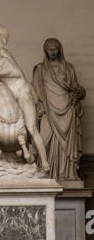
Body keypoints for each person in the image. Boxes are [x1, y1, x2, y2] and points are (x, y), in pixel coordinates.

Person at [0, 15, 50, 173]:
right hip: (19, 89)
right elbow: (4, 33)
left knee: (31, 128)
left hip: (22, 93)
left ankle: (44, 162)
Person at [32, 38, 86, 180]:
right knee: (44, 140)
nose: (53, 52)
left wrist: (79, 93)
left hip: (67, 109)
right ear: (45, 50)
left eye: (55, 48)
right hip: (47, 110)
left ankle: (66, 174)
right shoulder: (40, 69)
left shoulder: (68, 68)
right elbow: (35, 91)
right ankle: (47, 172)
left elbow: (75, 87)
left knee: (66, 144)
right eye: (50, 49)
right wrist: (39, 108)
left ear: (59, 49)